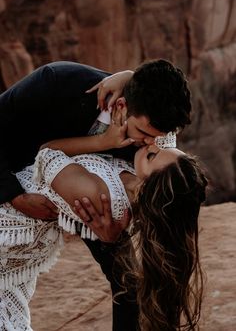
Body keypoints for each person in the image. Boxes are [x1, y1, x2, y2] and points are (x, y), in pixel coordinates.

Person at [0, 59, 192, 330]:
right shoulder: (57, 82)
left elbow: (162, 176)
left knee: (129, 286)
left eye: (156, 139)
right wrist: (16, 196)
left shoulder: (154, 132)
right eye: (143, 134)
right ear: (122, 107)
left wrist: (115, 234)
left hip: (90, 190)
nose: (149, 144)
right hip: (16, 180)